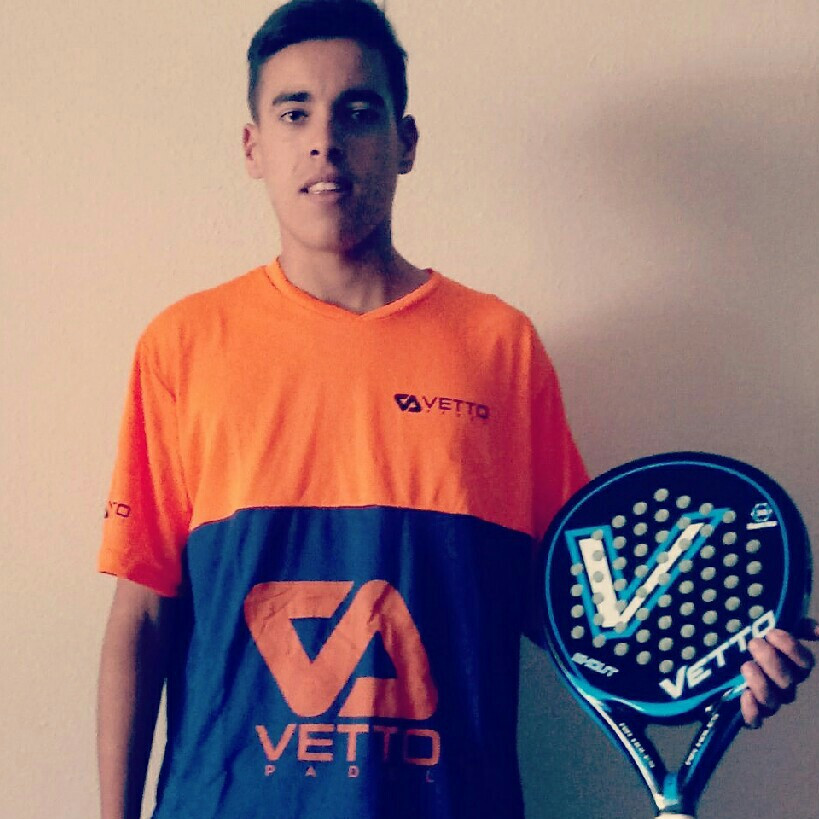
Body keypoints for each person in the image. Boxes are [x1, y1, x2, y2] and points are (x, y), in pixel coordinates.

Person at [96, 2, 817, 818]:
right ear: (253, 147)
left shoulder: (497, 345)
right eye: (294, 112)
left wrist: (726, 664)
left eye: (357, 111)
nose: (324, 140)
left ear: (404, 141)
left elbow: (571, 614)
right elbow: (141, 618)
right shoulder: (184, 344)